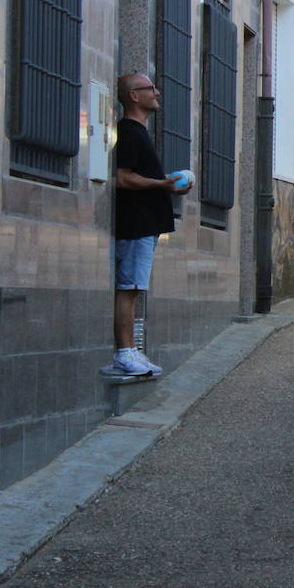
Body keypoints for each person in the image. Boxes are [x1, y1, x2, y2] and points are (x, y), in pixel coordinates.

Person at [111, 72, 188, 376]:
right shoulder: (129, 131)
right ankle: (125, 353)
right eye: (150, 89)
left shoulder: (138, 131)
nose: (157, 93)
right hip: (135, 224)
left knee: (133, 288)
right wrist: (164, 185)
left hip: (143, 225)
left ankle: (131, 351)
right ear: (134, 95)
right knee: (128, 289)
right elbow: (122, 176)